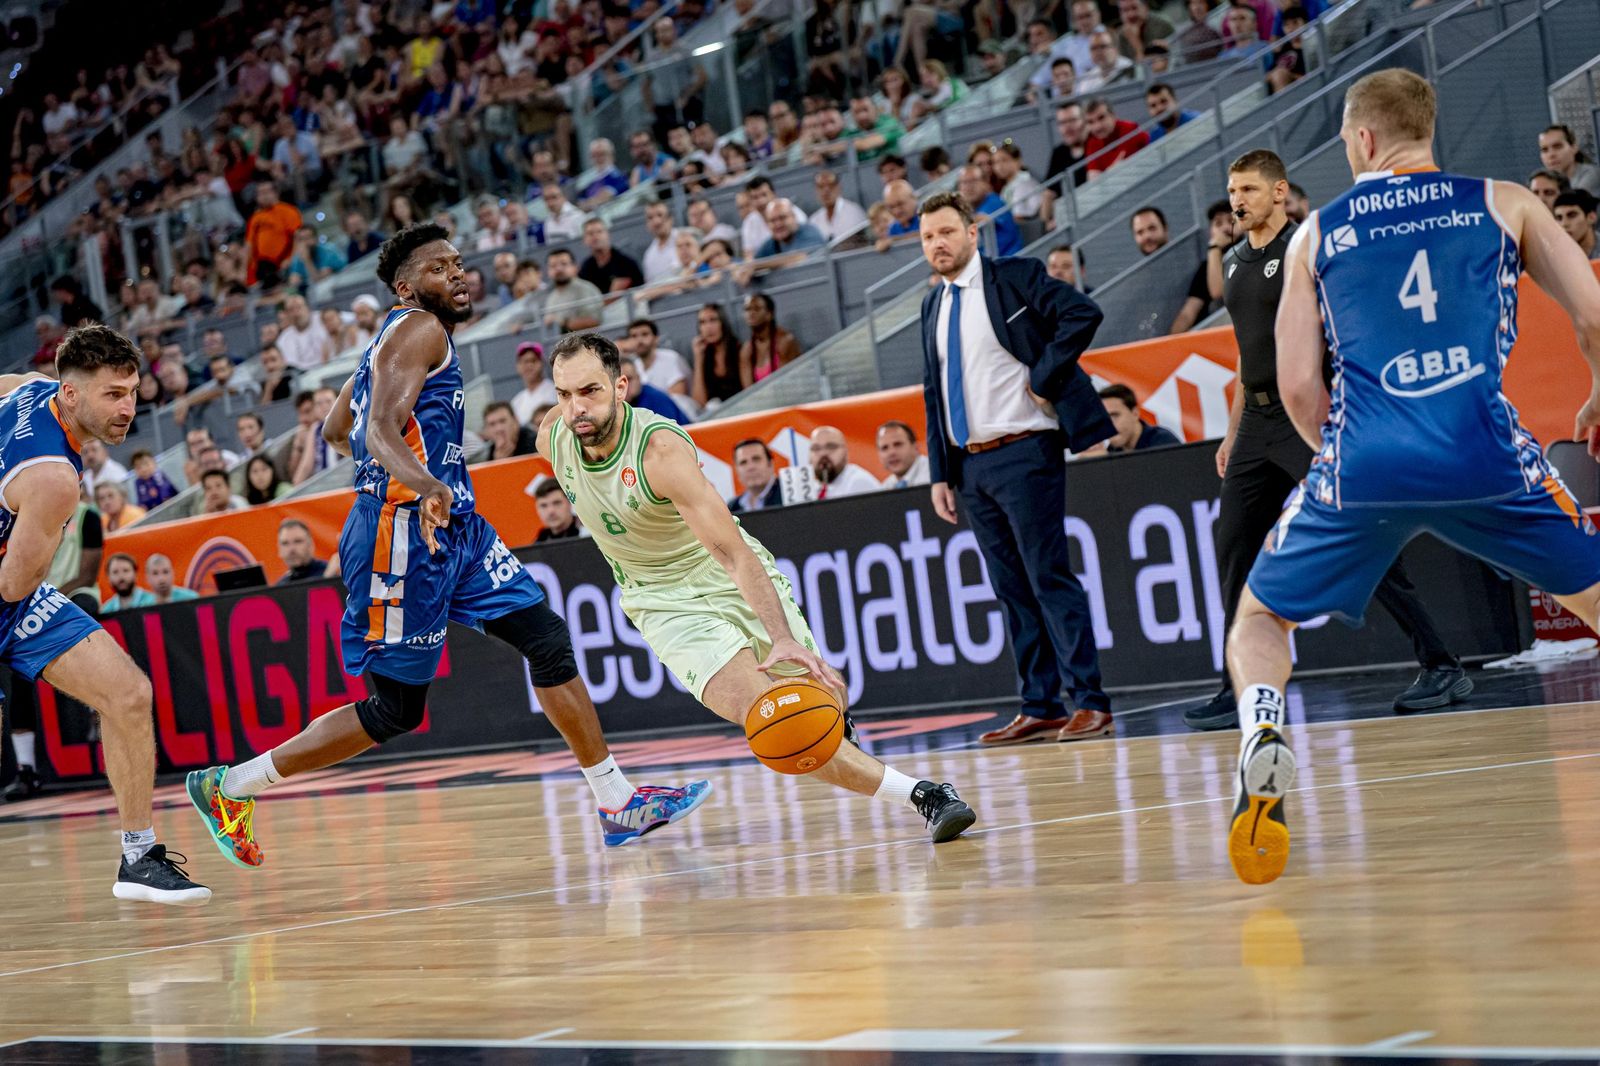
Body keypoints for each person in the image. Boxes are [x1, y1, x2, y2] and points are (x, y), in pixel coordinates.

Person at [186, 224, 709, 871]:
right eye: (440, 268)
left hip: (453, 527)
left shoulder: (398, 338)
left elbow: (334, 424)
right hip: (403, 531)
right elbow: (374, 427)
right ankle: (229, 787)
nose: (458, 275)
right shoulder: (417, 329)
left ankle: (616, 800)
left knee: (545, 638)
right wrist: (426, 482)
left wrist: (416, 455)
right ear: (407, 287)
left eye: (459, 264)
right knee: (394, 709)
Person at [1218, 72, 1600, 885]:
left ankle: (1260, 733)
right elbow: (1593, 314)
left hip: (1365, 462)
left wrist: (1346, 458)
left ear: (1360, 141)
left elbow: (1293, 387)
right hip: (1482, 452)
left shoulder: (1316, 232)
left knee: (1258, 618)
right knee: (1594, 594)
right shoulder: (1506, 202)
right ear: (1428, 131)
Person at [541, 333, 977, 844]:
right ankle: (925, 795)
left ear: (621, 387)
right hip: (659, 599)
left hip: (721, 570)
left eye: (589, 391)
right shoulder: (553, 436)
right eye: (564, 394)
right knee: (778, 722)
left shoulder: (659, 451)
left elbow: (731, 553)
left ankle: (839, 720)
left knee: (820, 712)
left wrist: (782, 636)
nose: (576, 408)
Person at [1187, 143, 1469, 732]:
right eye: (1232, 191)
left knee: (1362, 535)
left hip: (1312, 417)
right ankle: (1238, 682)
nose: (1237, 201)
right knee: (1234, 547)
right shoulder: (1235, 261)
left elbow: (1351, 332)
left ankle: (1442, 664)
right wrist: (1232, 431)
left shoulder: (1307, 247)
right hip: (1255, 427)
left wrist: (1347, 412)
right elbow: (1248, 356)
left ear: (1279, 192)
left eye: (1249, 190)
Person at [0, 326, 209, 903]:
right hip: (9, 587)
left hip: (13, 598)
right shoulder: (54, 479)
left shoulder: (28, 390)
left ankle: (138, 858)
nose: (128, 409)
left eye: (133, 391)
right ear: (70, 395)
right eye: (113, 395)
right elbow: (14, 581)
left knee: (128, 694)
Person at [917, 191, 1116, 745]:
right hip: (971, 467)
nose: (938, 243)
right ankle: (1040, 704)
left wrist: (1044, 375)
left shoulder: (1016, 277)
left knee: (1047, 575)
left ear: (973, 232)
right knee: (1010, 589)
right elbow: (934, 394)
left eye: (947, 232)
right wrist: (940, 474)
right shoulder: (933, 305)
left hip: (1026, 450)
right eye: (928, 236)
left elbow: (1083, 313)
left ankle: (1090, 702)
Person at [1171, 201, 1234, 332]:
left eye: (1231, 221)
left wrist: (1214, 248)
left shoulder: (1251, 254)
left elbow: (1218, 293)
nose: (1226, 228)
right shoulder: (1206, 267)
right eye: (1218, 223)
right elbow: (1188, 312)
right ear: (1211, 231)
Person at [691, 303, 750, 408]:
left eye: (713, 320)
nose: (708, 327)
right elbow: (699, 403)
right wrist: (698, 358)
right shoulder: (704, 357)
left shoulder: (739, 350)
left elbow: (749, 391)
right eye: (702, 322)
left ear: (723, 323)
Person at [1097, 384, 1180, 452]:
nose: (1109, 425)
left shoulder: (1163, 443)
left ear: (1135, 414)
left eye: (1115, 416)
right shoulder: (1112, 450)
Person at [741, 294, 802, 382]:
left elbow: (787, 383)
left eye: (757, 308)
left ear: (769, 314)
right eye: (747, 309)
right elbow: (749, 391)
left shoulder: (785, 341)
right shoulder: (746, 350)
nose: (751, 313)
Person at [627, 319, 692, 399]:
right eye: (634, 336)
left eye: (645, 334)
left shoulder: (671, 358)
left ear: (656, 338)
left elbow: (678, 398)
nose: (639, 340)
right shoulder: (634, 366)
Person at [578, 218, 645, 295]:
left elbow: (614, 297)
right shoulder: (586, 268)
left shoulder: (625, 263)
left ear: (607, 234)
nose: (595, 237)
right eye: (590, 233)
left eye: (599, 232)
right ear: (584, 239)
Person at [808, 426, 881, 498]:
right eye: (816, 448)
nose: (823, 453)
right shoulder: (812, 488)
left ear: (845, 451)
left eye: (831, 447)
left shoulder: (858, 482)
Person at [1539, 124, 1600, 198]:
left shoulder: (1592, 175)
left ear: (1574, 148)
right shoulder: (1541, 182)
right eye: (1544, 150)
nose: (1551, 154)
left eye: (1557, 146)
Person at [810, 170, 868, 243]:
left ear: (838, 187)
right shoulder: (814, 220)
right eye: (821, 187)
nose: (826, 190)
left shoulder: (854, 212)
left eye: (831, 186)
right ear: (816, 190)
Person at [729, 438, 783, 512]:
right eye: (743, 462)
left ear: (770, 464)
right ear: (737, 471)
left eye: (756, 459)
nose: (750, 467)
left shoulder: (789, 496)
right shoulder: (732, 508)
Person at [510, 342, 558, 425]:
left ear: (542, 363)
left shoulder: (555, 391)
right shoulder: (517, 401)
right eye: (524, 361)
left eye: (533, 360)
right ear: (518, 366)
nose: (529, 365)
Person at [274, 518, 329, 584]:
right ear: (279, 549)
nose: (291, 549)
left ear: (311, 544)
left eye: (298, 541)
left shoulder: (334, 573)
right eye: (285, 543)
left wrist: (329, 578)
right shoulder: (280, 587)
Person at [877, 420, 930, 488]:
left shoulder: (936, 475)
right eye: (884, 448)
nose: (891, 452)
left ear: (915, 447)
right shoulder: (886, 487)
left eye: (898, 444)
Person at [533, 476, 584, 541]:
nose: (550, 511)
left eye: (557, 503)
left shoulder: (592, 533)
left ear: (570, 503)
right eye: (543, 505)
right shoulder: (537, 542)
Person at [1554, 190, 1600, 259]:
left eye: (1572, 215)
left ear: (1591, 217)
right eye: (1559, 218)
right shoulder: (1553, 254)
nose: (1564, 224)